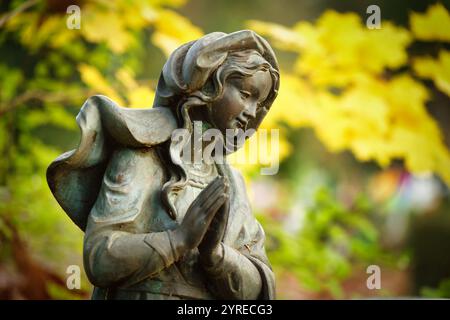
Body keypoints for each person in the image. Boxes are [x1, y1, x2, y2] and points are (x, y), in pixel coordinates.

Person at [47, 30, 280, 300]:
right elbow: (99, 258)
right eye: (246, 93)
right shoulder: (141, 157)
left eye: (259, 103)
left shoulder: (232, 183)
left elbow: (262, 290)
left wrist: (215, 255)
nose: (252, 111)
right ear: (207, 85)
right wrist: (178, 240)